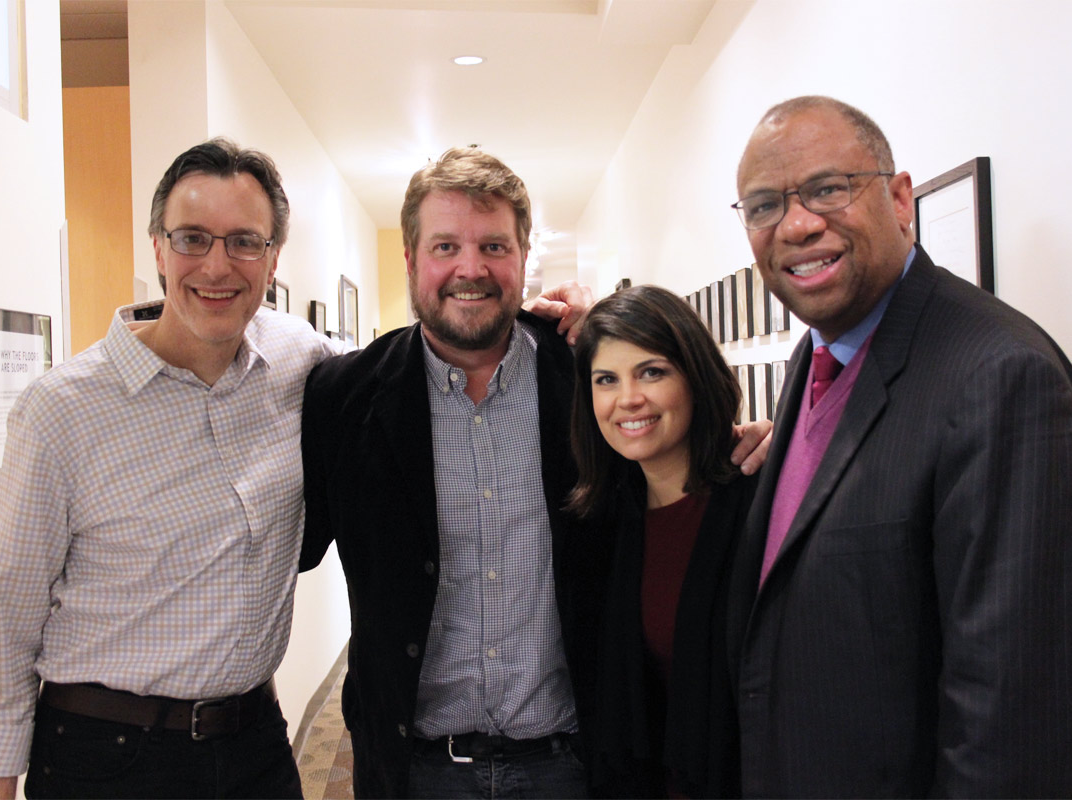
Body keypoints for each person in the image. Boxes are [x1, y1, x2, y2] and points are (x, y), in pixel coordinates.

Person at [0, 139, 588, 800]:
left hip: (255, 744)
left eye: (244, 242)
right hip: (107, 755)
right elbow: (4, 634)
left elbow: (412, 359)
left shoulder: (301, 364)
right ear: (158, 248)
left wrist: (586, 325)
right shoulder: (61, 409)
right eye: (192, 238)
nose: (217, 265)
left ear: (273, 256)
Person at [299, 148, 770, 799]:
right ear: (410, 259)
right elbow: (290, 541)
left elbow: (676, 460)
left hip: (574, 764)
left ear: (524, 257)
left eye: (494, 246)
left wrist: (770, 446)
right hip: (414, 768)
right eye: (445, 246)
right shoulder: (342, 396)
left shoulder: (585, 377)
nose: (471, 268)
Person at [726, 95, 1072, 797]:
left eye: (827, 188)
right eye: (764, 205)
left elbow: (1009, 734)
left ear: (900, 199)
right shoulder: (812, 361)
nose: (796, 224)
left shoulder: (1002, 377)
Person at [567, 285, 754, 798]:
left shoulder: (757, 505)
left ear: (695, 377)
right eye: (606, 380)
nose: (628, 398)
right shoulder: (606, 521)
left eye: (652, 372)